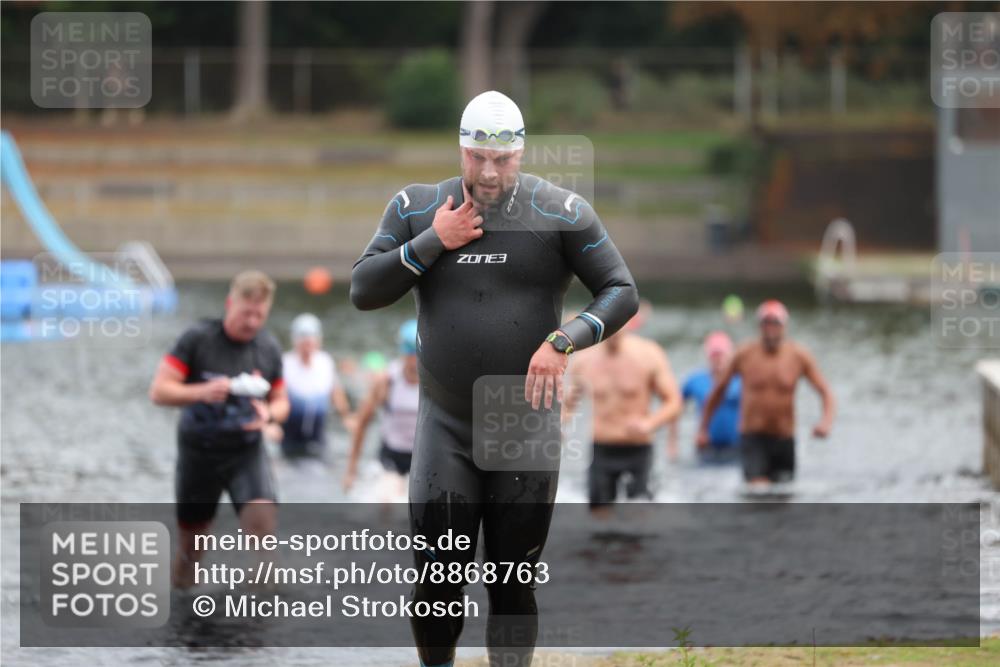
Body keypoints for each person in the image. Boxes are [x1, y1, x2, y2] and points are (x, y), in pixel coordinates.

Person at [350, 90, 639, 667]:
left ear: (521, 153)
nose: (487, 173)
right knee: (438, 589)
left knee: (511, 586)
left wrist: (565, 340)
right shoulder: (416, 207)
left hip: (523, 430)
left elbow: (621, 292)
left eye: (502, 160)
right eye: (475, 157)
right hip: (447, 427)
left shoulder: (561, 211)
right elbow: (363, 290)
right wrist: (434, 240)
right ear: (461, 149)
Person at [149, 270, 289, 588]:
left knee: (263, 530)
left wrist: (268, 414)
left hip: (245, 451)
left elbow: (282, 402)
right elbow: (159, 391)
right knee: (191, 547)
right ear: (230, 304)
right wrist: (201, 392)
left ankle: (259, 621)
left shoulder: (268, 348)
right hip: (199, 451)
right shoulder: (198, 339)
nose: (252, 322)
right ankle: (182, 616)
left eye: (259, 315)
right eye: (246, 313)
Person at [698, 300, 835, 488]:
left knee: (783, 495)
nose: (770, 329)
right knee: (758, 493)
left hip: (784, 438)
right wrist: (703, 429)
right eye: (766, 323)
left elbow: (825, 392)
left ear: (784, 326)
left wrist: (825, 422)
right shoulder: (744, 354)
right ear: (759, 326)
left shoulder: (798, 356)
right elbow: (718, 392)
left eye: (775, 323)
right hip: (753, 437)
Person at [564, 303, 681, 514]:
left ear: (627, 322)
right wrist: (559, 428)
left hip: (638, 449)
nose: (615, 332)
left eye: (619, 324)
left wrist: (650, 423)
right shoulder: (584, 360)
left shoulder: (648, 354)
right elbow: (570, 403)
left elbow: (673, 401)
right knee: (598, 519)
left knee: (637, 521)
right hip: (602, 450)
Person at [343, 319, 420, 501]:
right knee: (387, 503)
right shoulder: (387, 380)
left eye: (417, 354)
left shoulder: (432, 384)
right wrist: (351, 470)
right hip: (391, 457)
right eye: (410, 354)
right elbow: (362, 423)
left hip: (421, 456)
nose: (414, 361)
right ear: (403, 353)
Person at [274, 313, 354, 460]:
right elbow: (277, 395)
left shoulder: (325, 362)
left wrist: (346, 416)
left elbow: (335, 391)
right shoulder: (285, 363)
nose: (307, 345)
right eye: (303, 340)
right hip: (290, 434)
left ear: (318, 340)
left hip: (318, 433)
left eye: (311, 340)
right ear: (295, 340)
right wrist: (272, 424)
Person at [670, 331, 742, 464]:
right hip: (707, 449)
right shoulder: (696, 380)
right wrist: (673, 445)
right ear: (707, 356)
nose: (718, 359)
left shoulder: (741, 380)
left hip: (738, 448)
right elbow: (674, 408)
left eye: (721, 354)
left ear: (730, 355)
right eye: (714, 355)